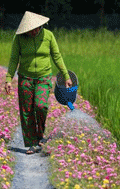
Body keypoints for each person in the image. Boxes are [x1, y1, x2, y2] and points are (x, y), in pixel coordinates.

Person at [4, 11, 73, 154]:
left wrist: (66, 76)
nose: (33, 32)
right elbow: (13, 59)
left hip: (43, 77)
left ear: (40, 26)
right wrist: (8, 79)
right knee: (27, 111)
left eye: (36, 28)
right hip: (25, 78)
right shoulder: (19, 38)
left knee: (41, 106)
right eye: (30, 30)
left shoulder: (48, 36)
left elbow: (57, 56)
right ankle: (32, 143)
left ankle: (40, 135)